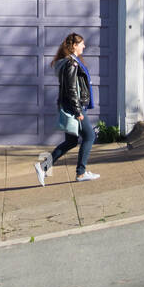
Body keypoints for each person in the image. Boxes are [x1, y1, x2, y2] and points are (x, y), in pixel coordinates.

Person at [34, 32, 100, 184]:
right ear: (74, 46)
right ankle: (81, 174)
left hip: (71, 105)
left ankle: (43, 166)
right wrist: (78, 111)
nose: (84, 46)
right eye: (82, 43)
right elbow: (71, 89)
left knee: (71, 141)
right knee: (90, 136)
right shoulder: (71, 63)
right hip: (74, 106)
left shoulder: (70, 61)